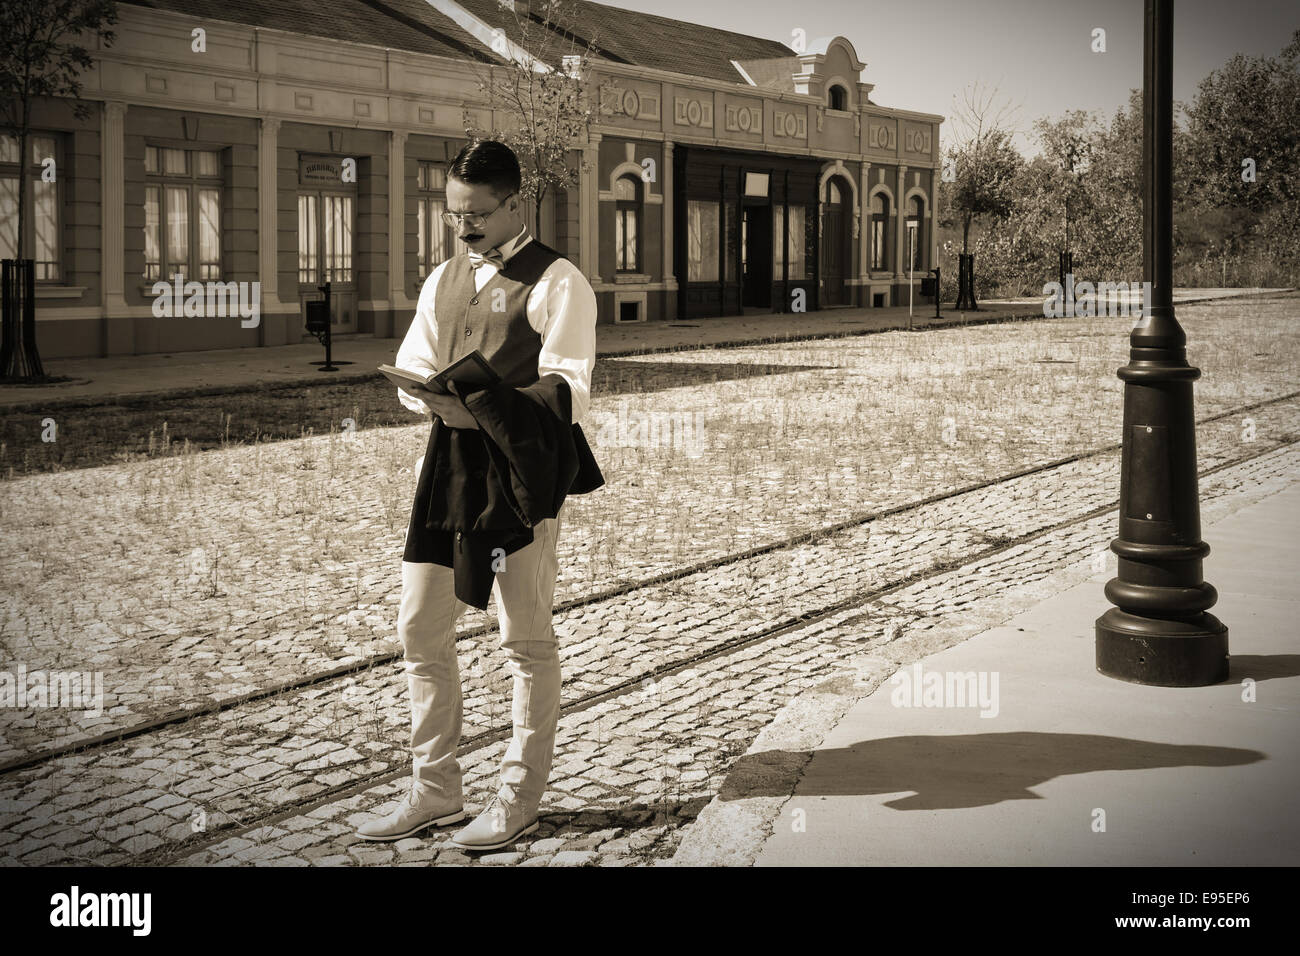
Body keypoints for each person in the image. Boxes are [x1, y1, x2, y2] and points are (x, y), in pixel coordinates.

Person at [356, 139, 599, 851]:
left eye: (478, 216)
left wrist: (490, 407)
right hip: (451, 467)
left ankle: (519, 798)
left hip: (522, 474)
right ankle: (435, 790)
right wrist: (423, 393)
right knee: (418, 629)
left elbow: (572, 389)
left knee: (524, 641)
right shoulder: (443, 278)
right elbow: (416, 360)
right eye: (454, 214)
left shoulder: (559, 282)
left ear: (515, 205)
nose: (464, 228)